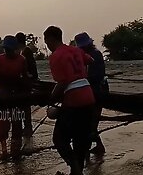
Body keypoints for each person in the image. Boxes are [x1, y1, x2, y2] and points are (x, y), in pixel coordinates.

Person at [44, 26, 95, 175]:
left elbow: (63, 82)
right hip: (89, 95)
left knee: (59, 139)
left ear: (51, 39)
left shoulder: (56, 56)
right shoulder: (75, 50)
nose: (46, 44)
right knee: (80, 140)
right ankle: (76, 170)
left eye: (46, 41)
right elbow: (90, 60)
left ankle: (76, 169)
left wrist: (51, 98)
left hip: (75, 99)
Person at [0, 35, 29, 157]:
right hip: (3, 95)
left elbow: (25, 77)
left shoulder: (22, 60)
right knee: (2, 124)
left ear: (14, 48)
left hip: (16, 96)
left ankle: (15, 150)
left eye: (9, 49)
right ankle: (4, 150)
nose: (7, 51)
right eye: (5, 49)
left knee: (17, 123)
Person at [74, 32, 107, 156]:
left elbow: (98, 76)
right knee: (88, 123)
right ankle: (95, 147)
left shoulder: (96, 55)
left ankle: (92, 148)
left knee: (91, 123)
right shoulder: (81, 56)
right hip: (87, 90)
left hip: (97, 91)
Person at [15, 32, 38, 137]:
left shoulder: (25, 52)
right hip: (23, 83)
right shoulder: (22, 51)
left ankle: (27, 128)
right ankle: (25, 128)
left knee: (24, 106)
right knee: (23, 106)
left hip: (25, 83)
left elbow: (31, 68)